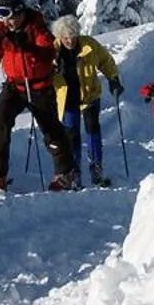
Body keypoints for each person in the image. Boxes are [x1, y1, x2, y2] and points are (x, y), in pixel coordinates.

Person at [0, 0, 80, 192]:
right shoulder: (1, 31)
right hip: (14, 86)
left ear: (20, 13)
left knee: (50, 129)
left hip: (39, 87)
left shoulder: (36, 27)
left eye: (9, 15)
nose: (6, 21)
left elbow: (49, 53)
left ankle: (65, 173)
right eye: (1, 15)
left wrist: (29, 47)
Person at [50, 15, 123, 187]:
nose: (70, 41)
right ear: (60, 37)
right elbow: (44, 70)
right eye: (66, 38)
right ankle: (74, 174)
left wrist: (113, 79)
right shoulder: (53, 50)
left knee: (92, 130)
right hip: (66, 99)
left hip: (89, 95)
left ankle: (96, 169)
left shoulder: (89, 44)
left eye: (73, 36)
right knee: (72, 136)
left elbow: (106, 61)